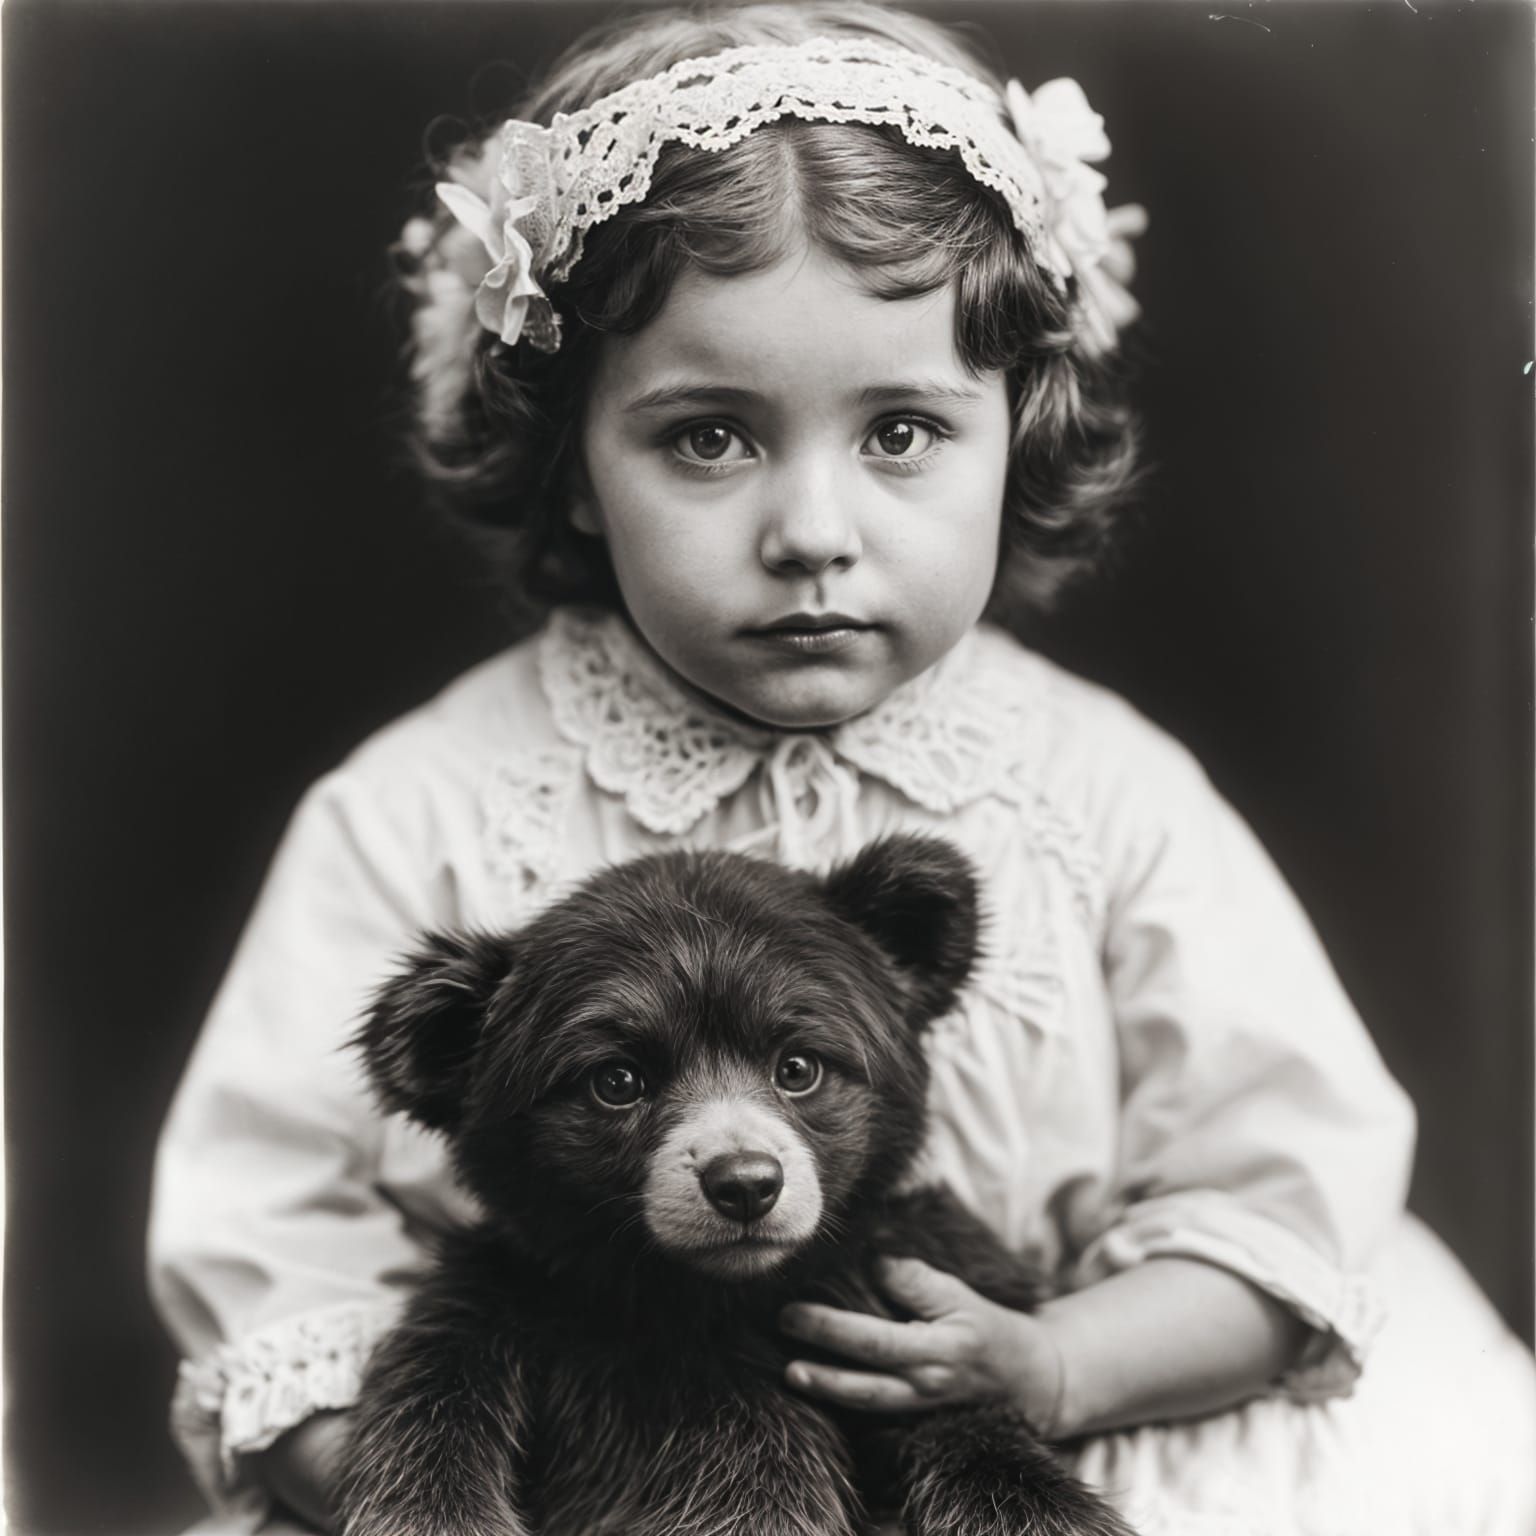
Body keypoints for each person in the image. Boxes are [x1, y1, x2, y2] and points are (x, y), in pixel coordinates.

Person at [147, 5, 1536, 1533]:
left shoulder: (1098, 791)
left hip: (1023, 1452)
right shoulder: (421, 809)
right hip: (597, 1472)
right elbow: (268, 1241)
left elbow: (1293, 1184)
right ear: (572, 463)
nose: (814, 529)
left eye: (900, 432)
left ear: (1020, 429)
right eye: (709, 439)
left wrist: (1060, 1365)